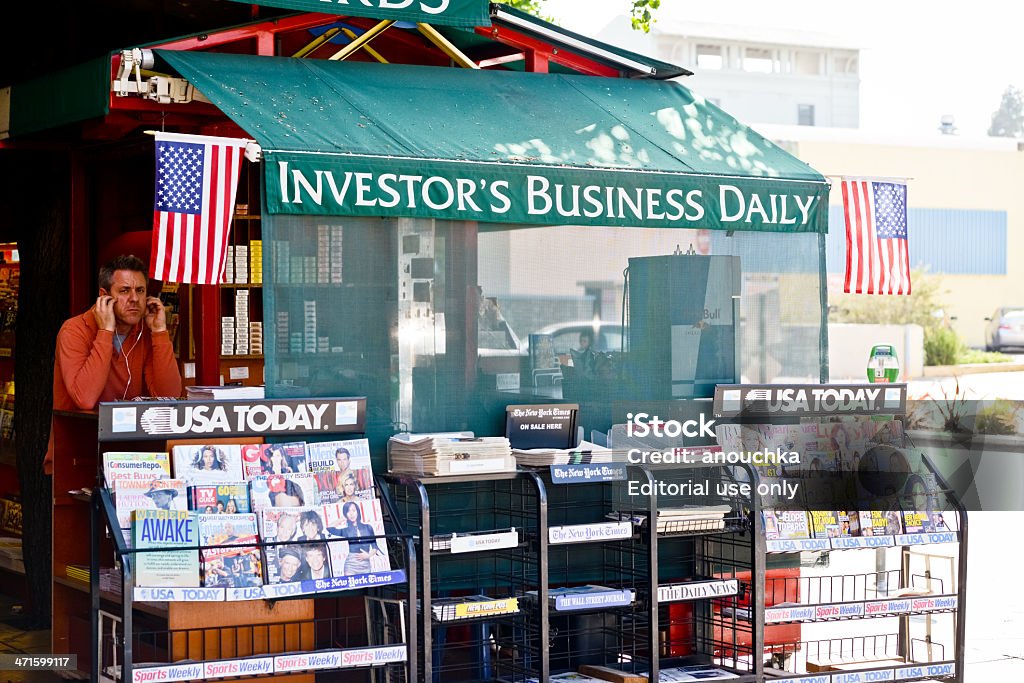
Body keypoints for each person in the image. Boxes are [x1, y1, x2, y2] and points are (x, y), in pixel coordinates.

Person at [46, 254, 182, 473]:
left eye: (140, 291)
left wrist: (159, 332)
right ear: (104, 296)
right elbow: (85, 398)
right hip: (78, 457)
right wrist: (105, 332)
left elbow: (170, 396)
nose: (134, 299)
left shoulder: (145, 332)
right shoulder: (74, 330)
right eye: (124, 291)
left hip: (133, 458)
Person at [331, 501, 381, 576]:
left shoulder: (368, 527)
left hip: (365, 563)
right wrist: (341, 519)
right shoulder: (347, 530)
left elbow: (375, 546)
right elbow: (330, 529)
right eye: (348, 511)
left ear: (358, 512)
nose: (351, 514)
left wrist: (368, 555)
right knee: (351, 586)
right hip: (351, 564)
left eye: (353, 510)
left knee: (366, 585)